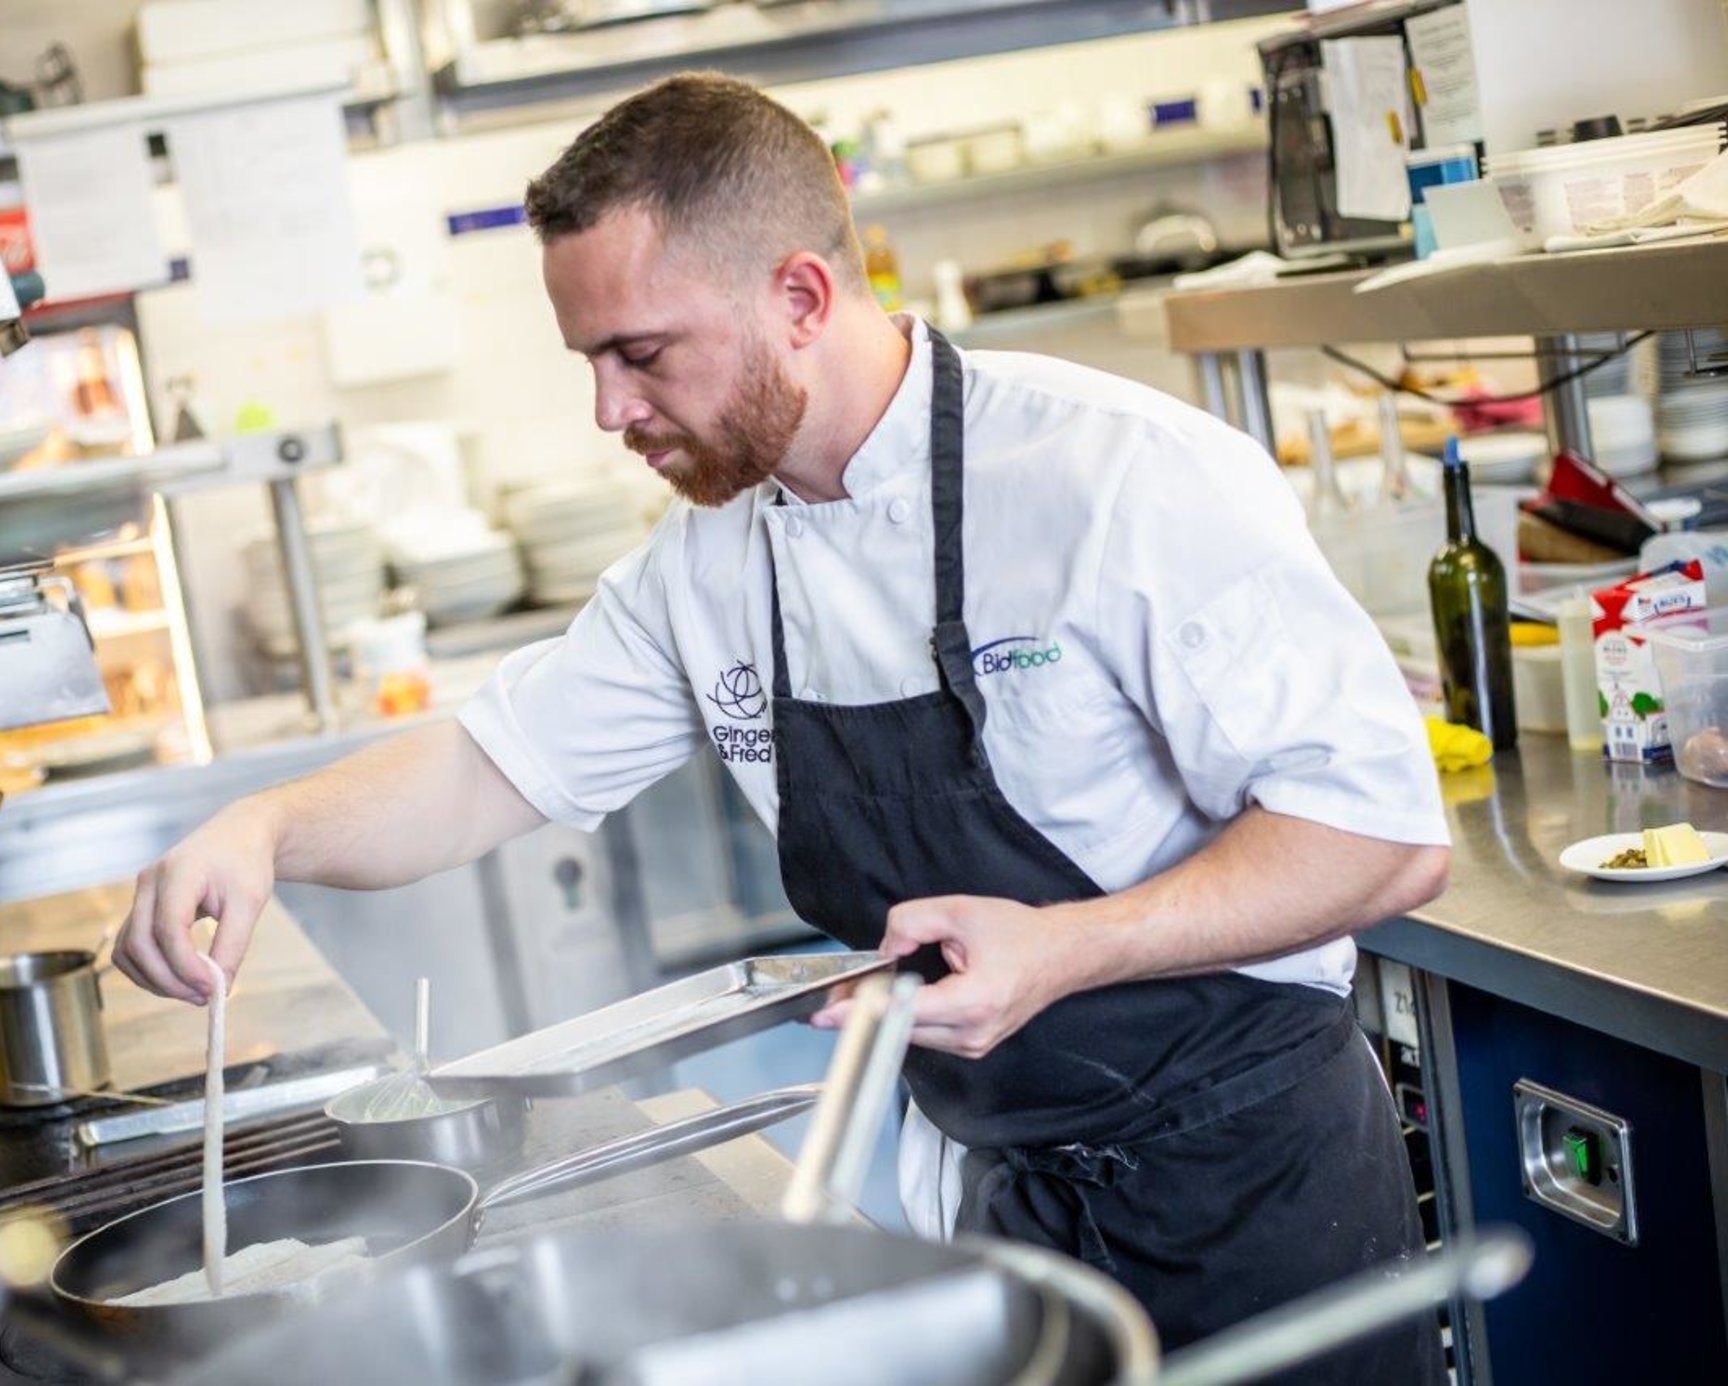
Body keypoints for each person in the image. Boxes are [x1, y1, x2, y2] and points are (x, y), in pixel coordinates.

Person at [115, 72, 1450, 1381]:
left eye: (642, 354)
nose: (609, 410)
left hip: (1257, 1198)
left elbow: (1384, 835)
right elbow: (481, 770)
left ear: (802, 297)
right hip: (1010, 1206)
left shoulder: (1115, 477)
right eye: (591, 361)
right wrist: (265, 829)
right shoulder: (708, 562)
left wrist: (1068, 948)